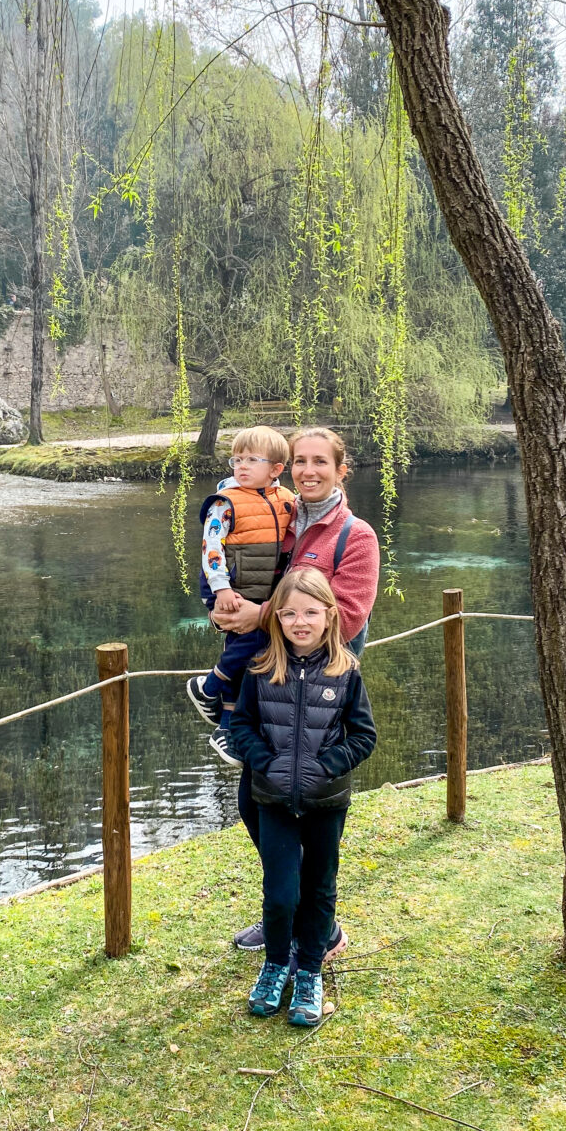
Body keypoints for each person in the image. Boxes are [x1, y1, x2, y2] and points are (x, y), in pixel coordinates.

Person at [213, 426, 380, 955]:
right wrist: (225, 606)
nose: (309, 470)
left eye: (321, 462)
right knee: (254, 800)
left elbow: (348, 617)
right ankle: (285, 905)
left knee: (310, 810)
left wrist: (256, 616)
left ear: (340, 469)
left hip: (322, 699)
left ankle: (317, 925)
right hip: (271, 686)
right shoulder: (281, 519)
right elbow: (248, 572)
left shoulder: (355, 537)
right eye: (301, 460)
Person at [229, 568, 377, 1026]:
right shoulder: (260, 671)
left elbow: (362, 736)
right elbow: (241, 729)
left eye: (310, 612)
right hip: (273, 802)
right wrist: (268, 765)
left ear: (329, 615)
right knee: (279, 894)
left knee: (317, 889)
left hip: (325, 805)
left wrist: (323, 767)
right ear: (276, 618)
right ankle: (274, 965)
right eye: (290, 613)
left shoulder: (346, 673)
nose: (300, 622)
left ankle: (310, 970)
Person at [186, 427, 295, 765]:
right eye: (237, 459)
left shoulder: (285, 499)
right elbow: (211, 547)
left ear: (276, 469)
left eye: (252, 460)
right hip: (230, 586)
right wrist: (221, 589)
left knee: (254, 653)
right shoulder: (226, 502)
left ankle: (226, 720)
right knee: (249, 641)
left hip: (260, 588)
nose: (241, 466)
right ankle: (212, 688)